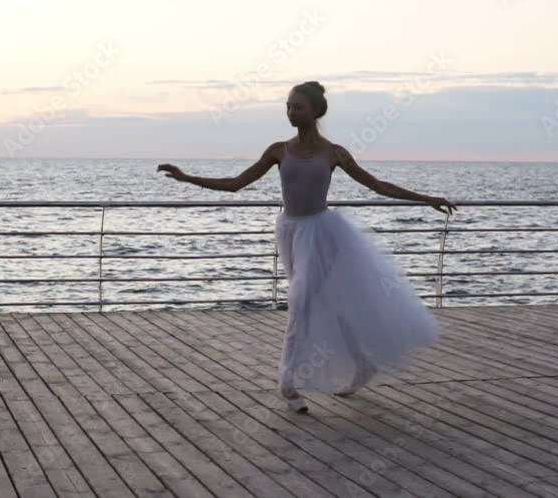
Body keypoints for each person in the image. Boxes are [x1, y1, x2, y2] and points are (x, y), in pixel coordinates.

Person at [158, 81, 457, 413]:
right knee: (323, 302)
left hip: (323, 234)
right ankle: (362, 363)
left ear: (316, 111)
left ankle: (287, 383)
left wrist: (426, 198)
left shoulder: (334, 153)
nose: (290, 112)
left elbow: (377, 185)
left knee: (300, 301)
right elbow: (235, 184)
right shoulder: (278, 150)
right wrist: (187, 178)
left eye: (297, 107)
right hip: (289, 232)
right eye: (288, 106)